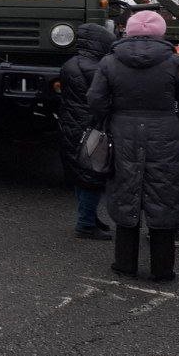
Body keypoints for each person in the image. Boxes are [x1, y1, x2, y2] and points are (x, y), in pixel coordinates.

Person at [87, 10, 179, 283]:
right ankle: (162, 269)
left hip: (122, 130)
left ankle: (124, 263)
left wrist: (107, 120)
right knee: (164, 193)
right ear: (161, 33)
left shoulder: (110, 61)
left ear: (127, 31)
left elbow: (95, 100)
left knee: (125, 191)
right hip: (164, 132)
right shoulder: (173, 61)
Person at [57, 23, 116, 240]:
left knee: (81, 173)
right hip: (91, 126)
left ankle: (88, 216)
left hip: (71, 125)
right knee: (93, 175)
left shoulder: (70, 64)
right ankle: (85, 224)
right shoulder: (97, 68)